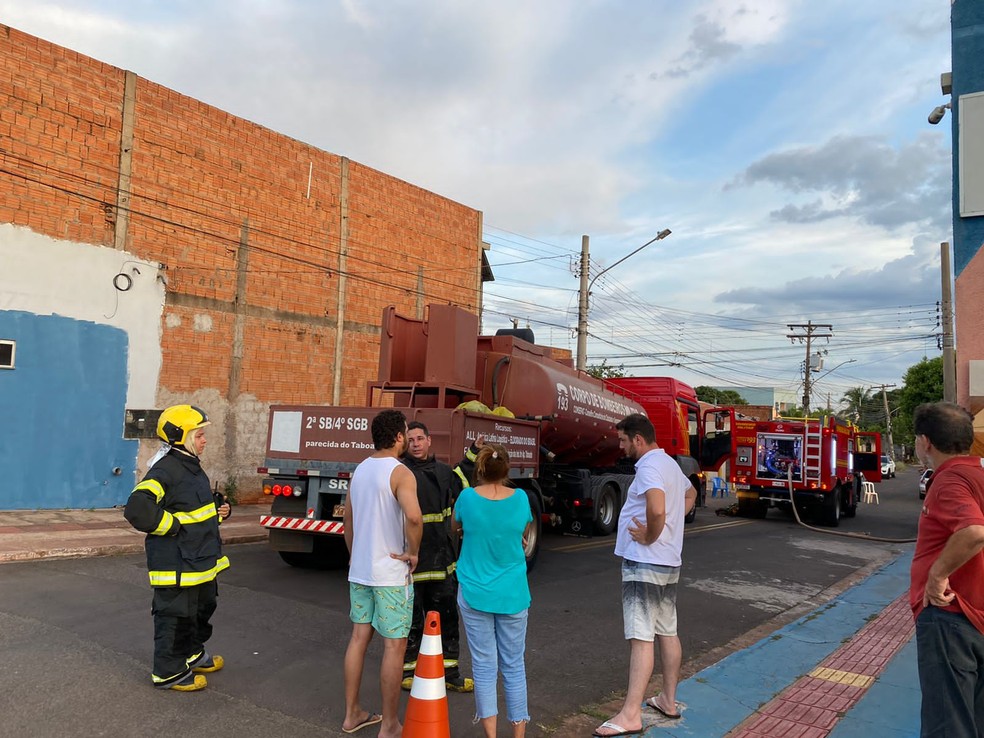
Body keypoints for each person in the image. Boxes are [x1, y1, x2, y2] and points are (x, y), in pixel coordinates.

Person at [594, 413, 696, 737]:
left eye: (623, 441)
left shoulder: (650, 466)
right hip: (669, 563)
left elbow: (655, 508)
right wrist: (671, 526)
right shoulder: (670, 465)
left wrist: (653, 534)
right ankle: (668, 699)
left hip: (646, 563)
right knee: (668, 631)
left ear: (638, 439)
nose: (621, 447)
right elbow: (690, 494)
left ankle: (630, 715)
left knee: (641, 640)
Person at [123, 404, 231, 691]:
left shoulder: (190, 466)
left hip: (199, 561)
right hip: (177, 564)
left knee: (201, 609)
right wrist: (171, 526)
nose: (204, 440)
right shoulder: (167, 470)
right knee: (174, 617)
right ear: (181, 437)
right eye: (199, 435)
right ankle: (168, 672)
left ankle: (192, 654)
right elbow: (137, 508)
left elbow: (191, 505)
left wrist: (220, 510)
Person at [342, 409, 423, 738]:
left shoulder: (360, 469)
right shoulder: (401, 473)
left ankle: (352, 715)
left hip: (360, 571)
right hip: (390, 574)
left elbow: (347, 520)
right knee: (394, 647)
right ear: (400, 436)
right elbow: (414, 518)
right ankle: (389, 725)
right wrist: (413, 553)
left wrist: (354, 556)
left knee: (358, 639)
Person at [909, 401, 984, 737]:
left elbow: (973, 531)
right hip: (977, 613)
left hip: (952, 617)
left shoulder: (949, 480)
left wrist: (937, 576)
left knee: (948, 723)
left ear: (926, 442)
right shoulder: (978, 475)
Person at [453, 444, 533, 738]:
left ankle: (491, 735)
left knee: (484, 666)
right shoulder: (522, 498)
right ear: (507, 470)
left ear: (479, 470)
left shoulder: (467, 498)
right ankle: (519, 735)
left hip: (474, 592)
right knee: (514, 666)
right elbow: (523, 532)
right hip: (513, 593)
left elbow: (455, 526)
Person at [400, 421, 474, 693]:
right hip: (410, 561)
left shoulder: (444, 473)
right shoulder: (400, 472)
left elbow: (466, 490)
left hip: (441, 562)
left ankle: (450, 673)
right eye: (411, 440)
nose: (416, 444)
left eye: (420, 438)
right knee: (411, 621)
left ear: (430, 440)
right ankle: (408, 671)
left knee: (447, 618)